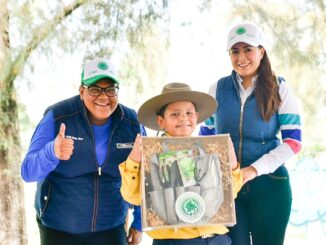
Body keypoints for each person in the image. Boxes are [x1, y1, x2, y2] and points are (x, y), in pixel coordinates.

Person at [21, 57, 143, 245]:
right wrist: (51, 152)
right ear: (81, 91)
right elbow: (28, 172)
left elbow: (145, 177)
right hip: (59, 228)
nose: (103, 97)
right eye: (95, 89)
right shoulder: (58, 116)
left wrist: (139, 222)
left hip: (111, 227)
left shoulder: (132, 123)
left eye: (110, 89)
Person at [200, 22, 302, 245]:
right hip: (227, 190)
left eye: (248, 49)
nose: (241, 57)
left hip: (270, 187)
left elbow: (293, 142)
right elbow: (205, 140)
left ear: (261, 51)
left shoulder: (279, 87)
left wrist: (254, 170)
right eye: (235, 51)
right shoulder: (216, 89)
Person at [119, 82, 243, 245]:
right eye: (175, 114)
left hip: (217, 238)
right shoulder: (150, 154)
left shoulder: (212, 149)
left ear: (196, 117)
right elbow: (132, 196)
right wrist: (134, 160)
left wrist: (232, 166)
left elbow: (229, 194)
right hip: (174, 240)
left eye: (189, 113)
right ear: (161, 121)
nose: (183, 118)